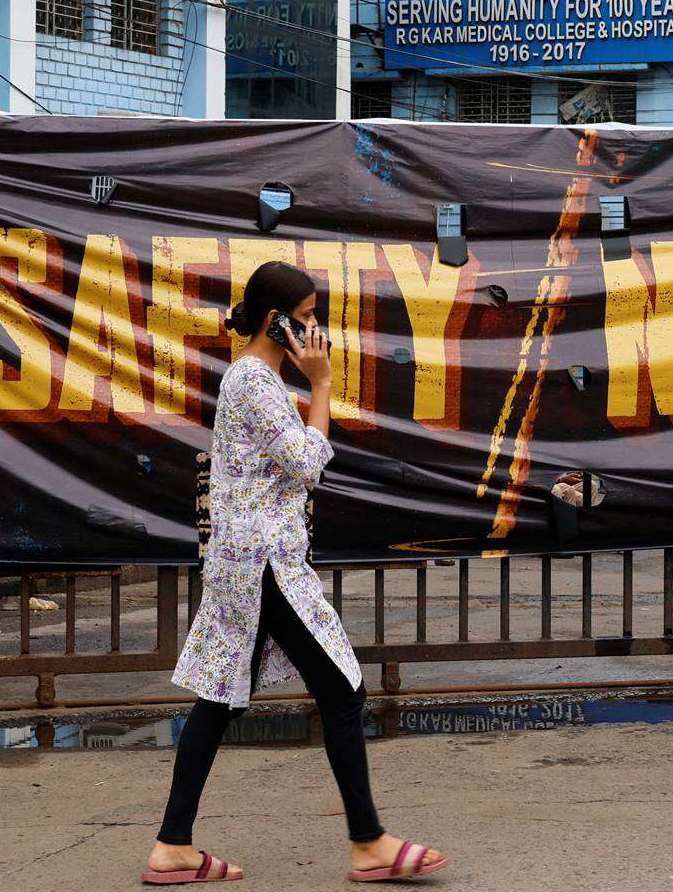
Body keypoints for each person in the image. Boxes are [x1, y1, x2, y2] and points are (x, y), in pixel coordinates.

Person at [144, 261, 449, 885]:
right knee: (342, 692)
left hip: (250, 561)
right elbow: (308, 462)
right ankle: (368, 843)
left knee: (220, 700)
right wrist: (324, 384)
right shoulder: (256, 382)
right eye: (305, 319)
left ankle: (173, 845)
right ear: (272, 320)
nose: (315, 331)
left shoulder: (252, 380)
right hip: (264, 564)